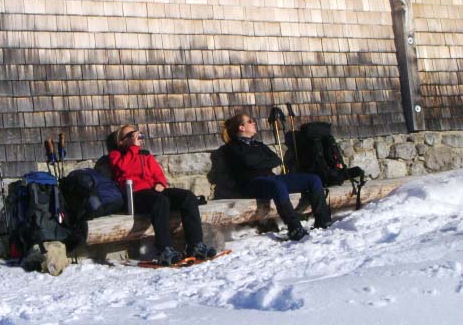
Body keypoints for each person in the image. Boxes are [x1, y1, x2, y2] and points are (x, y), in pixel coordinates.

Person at [109, 125, 216, 265]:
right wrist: (133, 148)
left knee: (188, 197)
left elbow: (157, 173)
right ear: (121, 141)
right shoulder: (116, 155)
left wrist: (160, 182)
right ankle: (164, 249)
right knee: (161, 201)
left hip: (154, 191)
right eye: (130, 135)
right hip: (134, 195)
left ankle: (195, 245)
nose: (135, 136)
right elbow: (125, 168)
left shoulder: (145, 154)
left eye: (136, 133)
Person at [221, 113, 332, 241]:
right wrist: (261, 161)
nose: (254, 123)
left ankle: (323, 221)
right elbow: (247, 162)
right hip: (251, 184)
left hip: (271, 178)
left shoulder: (258, 144)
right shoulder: (232, 147)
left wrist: (257, 162)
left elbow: (276, 160)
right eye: (250, 121)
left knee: (313, 180)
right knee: (278, 186)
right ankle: (294, 227)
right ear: (241, 127)